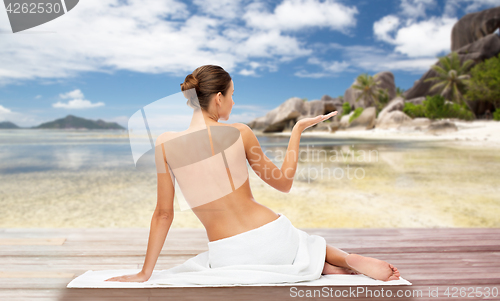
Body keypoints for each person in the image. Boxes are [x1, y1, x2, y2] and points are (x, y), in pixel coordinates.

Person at [105, 65, 400, 283]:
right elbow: (283, 183)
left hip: (227, 255)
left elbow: (163, 215)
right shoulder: (240, 133)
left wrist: (145, 273)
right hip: (273, 237)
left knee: (300, 246)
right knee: (304, 241)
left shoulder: (164, 144)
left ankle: (325, 264)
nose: (234, 102)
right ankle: (343, 259)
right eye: (233, 95)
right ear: (218, 98)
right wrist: (296, 131)